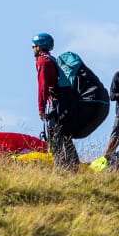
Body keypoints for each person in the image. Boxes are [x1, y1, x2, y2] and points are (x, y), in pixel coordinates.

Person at [32, 32, 80, 171]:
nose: (33, 49)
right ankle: (74, 165)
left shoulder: (43, 61)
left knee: (55, 136)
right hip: (65, 103)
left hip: (56, 104)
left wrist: (41, 109)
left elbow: (43, 87)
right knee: (65, 134)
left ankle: (60, 168)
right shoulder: (52, 59)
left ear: (40, 46)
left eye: (34, 46)